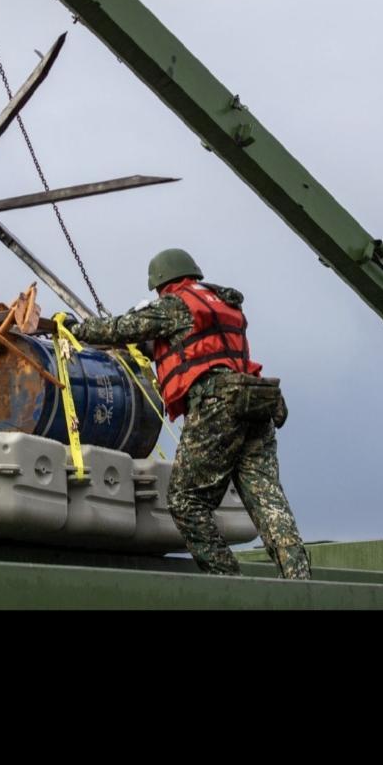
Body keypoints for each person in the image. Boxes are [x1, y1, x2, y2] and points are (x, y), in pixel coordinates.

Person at [72, 248, 311, 580]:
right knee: (268, 501)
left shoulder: (174, 304)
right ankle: (299, 580)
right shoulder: (223, 303)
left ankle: (229, 580)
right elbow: (196, 345)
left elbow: (120, 329)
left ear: (161, 282)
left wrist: (79, 329)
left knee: (186, 500)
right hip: (256, 401)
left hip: (217, 404)